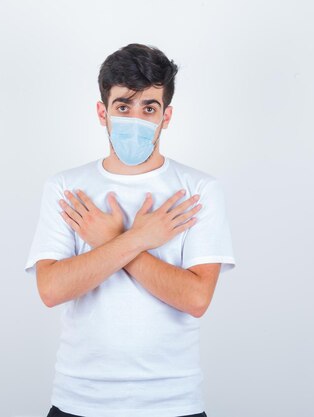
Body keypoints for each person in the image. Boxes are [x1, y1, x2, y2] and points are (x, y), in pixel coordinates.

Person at [25, 43, 236, 417]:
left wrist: (110, 239)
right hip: (80, 399)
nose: (135, 118)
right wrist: (139, 237)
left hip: (173, 402)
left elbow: (196, 299)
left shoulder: (198, 190)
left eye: (149, 108)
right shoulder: (66, 188)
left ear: (166, 116)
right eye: (123, 106)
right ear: (102, 112)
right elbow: (52, 289)